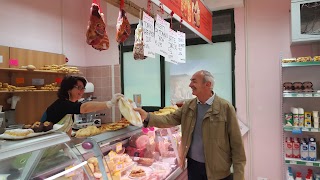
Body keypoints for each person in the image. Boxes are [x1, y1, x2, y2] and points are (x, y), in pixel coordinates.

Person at [134, 70, 246, 180]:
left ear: (208, 84)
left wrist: (239, 176)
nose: (190, 84)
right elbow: (169, 119)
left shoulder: (225, 108)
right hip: (194, 167)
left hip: (218, 170)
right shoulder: (189, 106)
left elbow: (237, 145)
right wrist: (147, 117)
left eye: (194, 81)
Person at [42, 75, 123, 134]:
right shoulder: (62, 104)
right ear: (68, 89)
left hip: (57, 142)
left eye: (83, 88)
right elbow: (84, 108)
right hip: (45, 142)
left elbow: (69, 127)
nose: (82, 91)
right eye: (79, 87)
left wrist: (67, 147)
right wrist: (109, 103)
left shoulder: (73, 103)